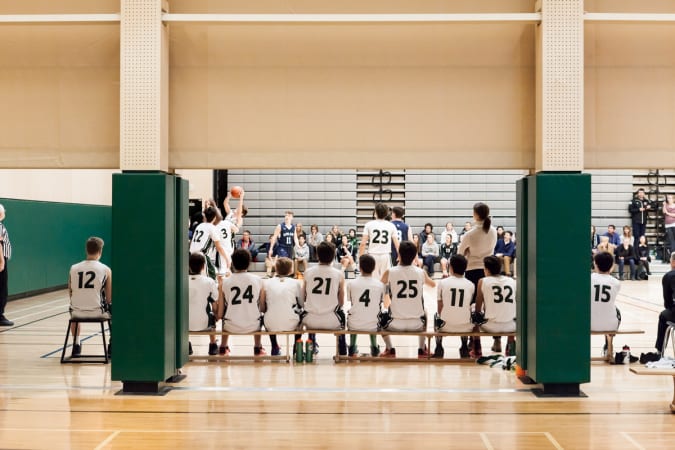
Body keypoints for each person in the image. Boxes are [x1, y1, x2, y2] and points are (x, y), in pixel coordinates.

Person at [379, 241, 436, 358]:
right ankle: (421, 348)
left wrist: (387, 293)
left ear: (399, 255)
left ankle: (390, 348)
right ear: (415, 257)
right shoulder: (421, 272)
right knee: (425, 311)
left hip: (394, 323)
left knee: (379, 316)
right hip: (417, 324)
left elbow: (379, 286)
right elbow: (433, 284)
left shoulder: (390, 271)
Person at [457, 202, 498, 355]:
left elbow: (460, 254)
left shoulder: (470, 234)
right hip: (489, 269)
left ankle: (475, 342)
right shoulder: (493, 231)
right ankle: (497, 340)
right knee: (490, 304)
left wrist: (468, 252)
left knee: (474, 306)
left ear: (476, 214)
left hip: (473, 270)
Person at [68, 237, 112, 357]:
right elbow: (109, 299)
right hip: (98, 312)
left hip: (76, 314)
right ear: (100, 251)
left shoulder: (73, 268)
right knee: (114, 309)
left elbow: (71, 293)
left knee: (74, 307)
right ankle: (112, 344)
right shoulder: (106, 270)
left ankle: (76, 345)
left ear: (86, 250)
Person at [220, 249, 269, 356]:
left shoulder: (225, 281)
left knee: (225, 315)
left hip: (230, 325)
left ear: (233, 263)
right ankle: (257, 347)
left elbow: (220, 312)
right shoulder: (259, 280)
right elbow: (262, 308)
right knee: (258, 315)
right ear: (249, 263)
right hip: (253, 325)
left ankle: (223, 347)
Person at [302, 242, 347, 355]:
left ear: (317, 255)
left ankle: (311, 344)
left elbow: (302, 299)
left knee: (306, 310)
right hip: (332, 321)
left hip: (310, 321)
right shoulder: (339, 274)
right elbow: (341, 302)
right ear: (333, 256)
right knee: (342, 314)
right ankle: (342, 349)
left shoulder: (307, 272)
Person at [474, 256, 517, 358]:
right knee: (513, 313)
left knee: (473, 311)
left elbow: (478, 308)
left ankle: (477, 348)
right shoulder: (512, 281)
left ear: (487, 270)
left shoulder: (483, 281)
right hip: (511, 326)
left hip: (490, 326)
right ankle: (510, 347)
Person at [433, 254, 475, 358]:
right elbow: (468, 305)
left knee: (436, 316)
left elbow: (440, 308)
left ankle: (439, 347)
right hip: (466, 326)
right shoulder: (471, 284)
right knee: (468, 311)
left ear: (450, 267)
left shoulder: (442, 283)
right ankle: (464, 346)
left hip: (445, 326)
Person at [346, 254, 385, 357]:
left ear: (360, 268)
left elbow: (352, 302)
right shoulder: (380, 285)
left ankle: (352, 346)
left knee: (354, 311)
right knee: (373, 311)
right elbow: (379, 303)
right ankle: (374, 346)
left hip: (354, 324)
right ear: (374, 268)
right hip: (373, 324)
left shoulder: (351, 283)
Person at [188, 252, 220, 356]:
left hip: (184, 324)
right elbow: (215, 304)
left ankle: (186, 344)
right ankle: (213, 345)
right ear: (203, 267)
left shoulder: (182, 281)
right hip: (204, 323)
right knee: (211, 312)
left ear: (188, 265)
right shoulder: (209, 281)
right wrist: (217, 316)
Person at [359, 203, 400, 281]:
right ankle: (385, 293)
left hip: (372, 255)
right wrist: (400, 255)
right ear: (387, 213)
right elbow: (397, 244)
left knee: (373, 281)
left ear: (375, 212)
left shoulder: (369, 224)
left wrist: (360, 258)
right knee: (386, 281)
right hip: (385, 255)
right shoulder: (391, 225)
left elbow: (363, 244)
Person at [262, 257, 304, 333]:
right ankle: (296, 343)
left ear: (276, 269)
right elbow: (301, 304)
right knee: (301, 312)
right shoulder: (295, 283)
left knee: (269, 310)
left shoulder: (267, 282)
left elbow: (263, 307)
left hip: (270, 324)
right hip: (291, 324)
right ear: (291, 270)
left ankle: (274, 344)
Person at [189, 206, 227, 280]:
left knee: (197, 279)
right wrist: (227, 259)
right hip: (201, 256)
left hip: (192, 255)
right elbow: (219, 247)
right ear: (215, 217)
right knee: (212, 279)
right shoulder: (212, 228)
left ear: (204, 216)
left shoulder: (199, 226)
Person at [591, 252, 621, 334]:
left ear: (595, 265)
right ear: (612, 266)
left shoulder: (589, 278)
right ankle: (609, 342)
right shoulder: (616, 283)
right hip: (610, 325)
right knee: (616, 309)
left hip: (589, 324)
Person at [654, 252, 675, 357]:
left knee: (663, 316)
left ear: (673, 262)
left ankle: (659, 351)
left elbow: (668, 301)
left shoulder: (669, 276)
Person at [0, 204, 13, 326]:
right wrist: (2, 261)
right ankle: (0, 315)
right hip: (0, 260)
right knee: (2, 288)